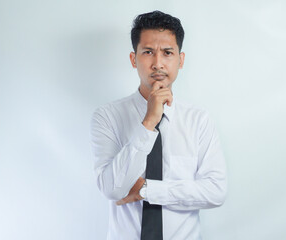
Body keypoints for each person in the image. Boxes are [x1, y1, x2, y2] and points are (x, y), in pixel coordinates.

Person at [90, 10, 227, 240]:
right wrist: (149, 122)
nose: (158, 63)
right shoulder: (107, 117)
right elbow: (111, 188)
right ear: (134, 59)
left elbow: (216, 191)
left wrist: (146, 190)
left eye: (167, 52)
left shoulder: (198, 120)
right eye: (148, 52)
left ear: (180, 60)